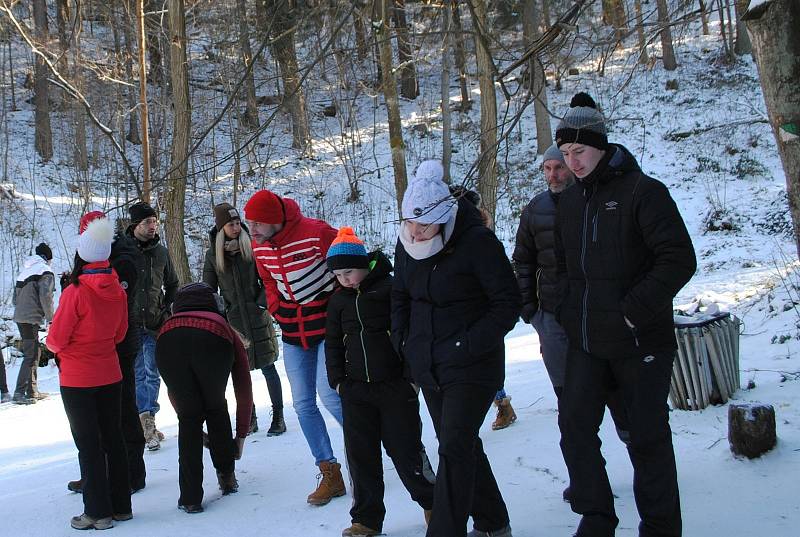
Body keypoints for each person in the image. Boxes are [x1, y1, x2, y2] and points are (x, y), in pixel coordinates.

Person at [554, 92, 696, 537]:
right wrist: (564, 310)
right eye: (565, 153)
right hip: (587, 341)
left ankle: (659, 526)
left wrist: (633, 310)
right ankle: (596, 517)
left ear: (601, 147)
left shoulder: (644, 192)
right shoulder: (571, 202)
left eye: (579, 152)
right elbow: (563, 268)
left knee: (647, 438)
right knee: (575, 428)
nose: (572, 162)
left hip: (640, 343)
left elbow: (678, 259)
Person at [391, 160, 521, 537]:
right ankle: (494, 522)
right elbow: (400, 295)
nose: (416, 233)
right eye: (410, 224)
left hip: (472, 363)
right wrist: (404, 342)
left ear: (445, 218)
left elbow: (507, 303)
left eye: (424, 225)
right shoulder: (407, 241)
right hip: (427, 362)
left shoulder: (477, 243)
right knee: (460, 444)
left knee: (454, 447)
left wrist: (469, 343)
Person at [325, 227, 435, 537]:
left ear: (364, 265)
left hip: (395, 388)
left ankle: (433, 502)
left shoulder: (390, 289)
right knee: (362, 458)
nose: (345, 279)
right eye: (338, 276)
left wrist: (411, 379)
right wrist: (338, 382)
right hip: (356, 391)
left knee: (407, 451)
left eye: (349, 272)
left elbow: (412, 333)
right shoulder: (338, 303)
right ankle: (367, 519)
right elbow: (332, 343)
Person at [243, 189, 345, 506]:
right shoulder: (261, 249)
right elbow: (269, 283)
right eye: (250, 223)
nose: (253, 230)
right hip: (293, 331)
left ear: (274, 221)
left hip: (327, 326)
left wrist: (341, 309)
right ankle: (329, 471)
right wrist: (277, 308)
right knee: (302, 403)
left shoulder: (317, 233)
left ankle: (367, 443)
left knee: (330, 395)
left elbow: (348, 266)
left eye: (258, 223)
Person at [46, 216, 131, 530]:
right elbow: (120, 334)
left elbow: (56, 339)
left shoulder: (75, 291)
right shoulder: (117, 289)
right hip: (110, 372)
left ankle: (97, 512)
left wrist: (59, 348)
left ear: (82, 252)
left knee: (89, 445)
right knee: (113, 438)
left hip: (78, 378)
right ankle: (122, 506)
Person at [66, 211, 147, 495]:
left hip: (118, 344)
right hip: (100, 347)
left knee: (123, 409)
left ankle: (132, 473)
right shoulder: (102, 257)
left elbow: (113, 304)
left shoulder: (121, 261)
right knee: (99, 417)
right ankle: (99, 475)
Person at [155, 282, 253, 514]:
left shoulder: (168, 326)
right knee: (216, 407)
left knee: (189, 419)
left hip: (167, 345)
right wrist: (240, 436)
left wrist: (186, 413)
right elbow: (244, 387)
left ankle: (190, 498)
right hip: (213, 341)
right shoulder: (223, 326)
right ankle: (227, 477)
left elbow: (172, 388)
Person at [203, 203, 285, 436]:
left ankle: (278, 415)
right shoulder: (213, 255)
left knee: (269, 368)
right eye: (231, 224)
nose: (237, 227)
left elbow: (269, 277)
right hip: (234, 323)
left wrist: (261, 302)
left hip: (258, 316)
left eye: (238, 223)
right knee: (242, 374)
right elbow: (209, 291)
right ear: (221, 228)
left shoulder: (254, 245)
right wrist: (221, 314)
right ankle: (251, 418)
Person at [450, 185, 518, 432]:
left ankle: (502, 404)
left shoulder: (479, 235)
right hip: (459, 313)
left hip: (483, 312)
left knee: (485, 360)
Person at [126, 201, 179, 450]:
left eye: (155, 222)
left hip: (155, 322)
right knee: (138, 373)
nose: (153, 226)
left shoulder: (161, 252)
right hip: (130, 323)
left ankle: (148, 419)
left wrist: (167, 309)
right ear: (136, 224)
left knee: (152, 372)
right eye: (148, 221)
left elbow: (174, 284)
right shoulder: (123, 250)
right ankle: (143, 420)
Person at [12, 242, 55, 405]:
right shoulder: (45, 271)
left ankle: (32, 391)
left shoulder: (24, 272)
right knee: (31, 354)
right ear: (46, 258)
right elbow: (46, 296)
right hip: (31, 319)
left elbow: (15, 299)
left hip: (20, 318)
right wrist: (51, 318)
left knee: (34, 352)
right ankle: (19, 392)